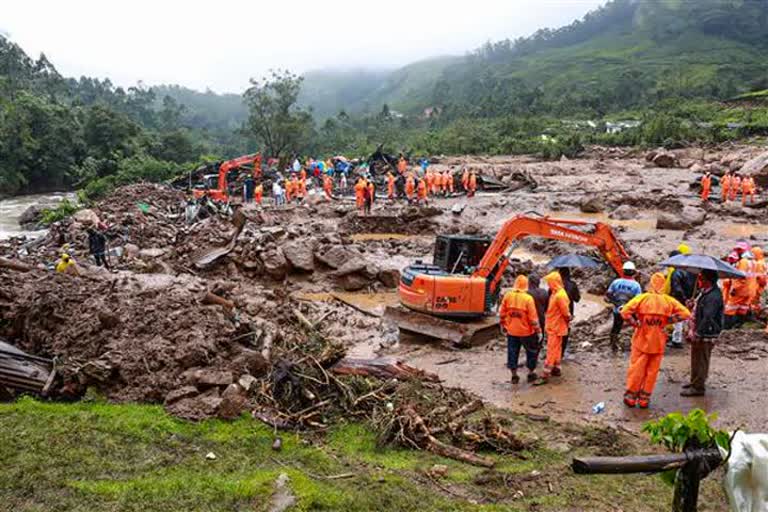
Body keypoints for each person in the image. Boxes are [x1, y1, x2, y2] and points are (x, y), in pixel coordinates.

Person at [621, 272, 690, 408]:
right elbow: (686, 313)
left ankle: (631, 396)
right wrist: (669, 320)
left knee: (637, 368)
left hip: (641, 339)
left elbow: (624, 312)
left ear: (651, 284)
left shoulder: (643, 298)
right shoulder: (668, 301)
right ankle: (644, 399)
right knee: (652, 372)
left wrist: (634, 322)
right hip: (658, 342)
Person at [681, 270, 724, 397]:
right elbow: (701, 309)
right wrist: (692, 305)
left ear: (707, 281)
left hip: (706, 332)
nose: (698, 281)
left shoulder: (713, 296)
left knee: (701, 359)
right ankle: (694, 381)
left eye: (701, 279)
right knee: (696, 357)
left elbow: (708, 316)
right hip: (700, 330)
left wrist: (698, 332)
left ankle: (698, 387)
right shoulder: (706, 293)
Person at [500, 275, 542, 384]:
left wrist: (504, 325)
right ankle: (530, 373)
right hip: (527, 332)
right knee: (531, 352)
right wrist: (538, 331)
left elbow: (502, 313)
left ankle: (514, 375)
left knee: (512, 352)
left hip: (512, 331)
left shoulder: (507, 296)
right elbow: (533, 319)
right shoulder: (528, 299)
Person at [538, 271, 571, 383]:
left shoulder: (560, 295)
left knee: (551, 349)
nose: (548, 285)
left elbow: (566, 313)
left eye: (549, 282)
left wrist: (568, 319)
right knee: (557, 348)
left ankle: (545, 374)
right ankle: (556, 368)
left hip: (556, 326)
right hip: (554, 325)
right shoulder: (555, 293)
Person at [606, 261, 642, 352]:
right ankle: (637, 343)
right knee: (637, 325)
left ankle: (613, 345)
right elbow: (637, 301)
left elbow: (609, 294)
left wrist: (617, 303)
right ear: (633, 272)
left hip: (617, 310)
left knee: (616, 327)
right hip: (630, 311)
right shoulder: (636, 285)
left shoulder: (616, 282)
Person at [669, 252, 697, 348]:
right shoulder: (692, 272)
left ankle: (676, 340)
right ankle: (685, 336)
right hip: (689, 298)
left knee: (677, 320)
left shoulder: (676, 273)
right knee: (686, 318)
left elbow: (677, 289)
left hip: (679, 300)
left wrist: (683, 298)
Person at [557, 267, 581, 357]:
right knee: (565, 331)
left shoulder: (555, 285)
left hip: (556, 313)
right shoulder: (572, 284)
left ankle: (555, 351)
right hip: (568, 312)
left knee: (556, 332)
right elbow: (577, 299)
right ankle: (562, 352)